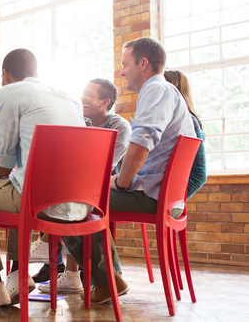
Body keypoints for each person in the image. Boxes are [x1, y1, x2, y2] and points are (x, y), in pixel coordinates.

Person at [62, 37, 197, 305]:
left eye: (125, 64)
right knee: (85, 197)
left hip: (152, 196)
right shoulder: (167, 92)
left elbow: (142, 142)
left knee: (67, 201)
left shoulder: (156, 90)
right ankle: (111, 279)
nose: (122, 71)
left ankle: (106, 281)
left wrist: (122, 183)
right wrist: (121, 181)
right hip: (165, 196)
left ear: (143, 64)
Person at [0, 48, 87, 309]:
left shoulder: (8, 92)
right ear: (36, 73)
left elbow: (1, 165)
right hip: (81, 203)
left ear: (5, 75)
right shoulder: (69, 97)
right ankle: (17, 274)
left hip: (40, 202)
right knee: (15, 184)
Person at [34, 78, 132, 294]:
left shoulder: (120, 126)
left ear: (105, 101)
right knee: (67, 198)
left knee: (72, 202)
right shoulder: (81, 122)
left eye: (89, 94)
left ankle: (109, 277)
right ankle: (76, 275)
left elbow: (103, 168)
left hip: (108, 186)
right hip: (81, 184)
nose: (82, 98)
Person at [164, 70, 207, 199]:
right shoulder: (166, 122)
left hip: (166, 199)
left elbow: (200, 174)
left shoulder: (189, 122)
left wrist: (172, 199)